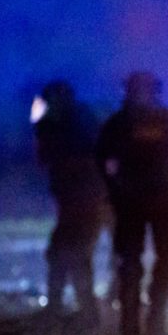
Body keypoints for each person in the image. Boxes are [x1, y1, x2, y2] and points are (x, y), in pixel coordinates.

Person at [96, 71, 168, 335]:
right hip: (160, 197)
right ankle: (152, 330)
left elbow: (101, 159)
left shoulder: (118, 122)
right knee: (162, 265)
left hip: (130, 200)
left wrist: (113, 187)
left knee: (131, 266)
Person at [33, 80, 104, 322]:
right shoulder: (52, 125)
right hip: (71, 200)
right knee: (61, 253)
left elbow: (88, 155)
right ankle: (67, 308)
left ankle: (85, 311)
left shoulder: (80, 120)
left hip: (87, 199)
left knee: (75, 253)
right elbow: (44, 157)